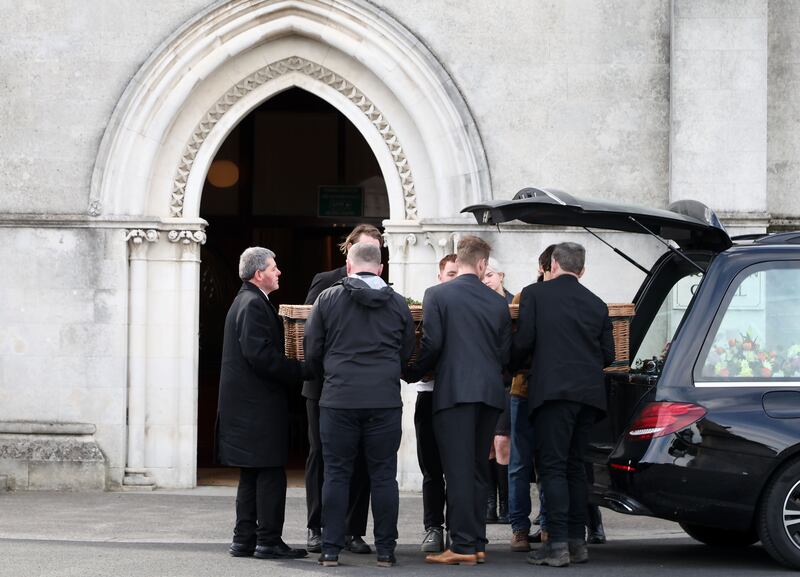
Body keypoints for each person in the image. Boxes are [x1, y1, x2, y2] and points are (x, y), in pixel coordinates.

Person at [304, 242, 415, 568]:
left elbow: (313, 350)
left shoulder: (327, 299)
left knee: (336, 474)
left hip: (339, 399)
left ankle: (330, 550)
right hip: (383, 400)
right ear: (380, 268)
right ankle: (386, 551)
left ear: (349, 266)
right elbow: (406, 350)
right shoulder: (397, 303)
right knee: (383, 476)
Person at [406, 235, 512, 566]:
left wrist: (411, 372)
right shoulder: (498, 302)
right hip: (490, 394)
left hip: (454, 394)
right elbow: (504, 354)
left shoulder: (438, 294)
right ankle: (477, 541)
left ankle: (463, 546)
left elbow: (433, 344)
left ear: (463, 261)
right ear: (482, 264)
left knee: (458, 469)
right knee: (479, 467)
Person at [511, 242, 615, 567]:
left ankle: (555, 546)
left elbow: (524, 342)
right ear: (581, 270)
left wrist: (507, 364)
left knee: (553, 467)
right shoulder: (597, 304)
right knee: (575, 467)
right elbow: (609, 356)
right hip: (589, 396)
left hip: (553, 394)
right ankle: (576, 542)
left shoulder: (534, 295)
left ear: (553, 264)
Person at [216, 247, 308, 560]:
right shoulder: (254, 304)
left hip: (247, 408)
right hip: (257, 408)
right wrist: (300, 369)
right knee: (270, 473)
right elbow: (261, 357)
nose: (279, 272)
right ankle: (268, 540)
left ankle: (244, 539)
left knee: (252, 475)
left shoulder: (246, 300)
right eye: (274, 267)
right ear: (259, 274)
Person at [303, 224, 383, 554]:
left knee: (362, 459)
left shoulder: (381, 287)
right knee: (321, 455)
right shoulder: (326, 281)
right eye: (366, 248)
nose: (371, 256)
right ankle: (316, 526)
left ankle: (353, 530)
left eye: (377, 250)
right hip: (322, 386)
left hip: (361, 388)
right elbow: (307, 328)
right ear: (349, 250)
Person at [508, 245, 555, 552]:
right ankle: (524, 528)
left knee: (529, 463)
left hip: (528, 388)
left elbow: (516, 342)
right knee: (528, 462)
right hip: (529, 389)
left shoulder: (526, 296)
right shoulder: (524, 296)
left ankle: (534, 528)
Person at [413, 253, 458, 553]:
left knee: (457, 469)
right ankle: (433, 528)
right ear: (439, 276)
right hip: (428, 395)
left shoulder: (472, 305)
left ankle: (457, 528)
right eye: (449, 273)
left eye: (458, 272)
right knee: (431, 469)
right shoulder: (430, 302)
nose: (454, 278)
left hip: (457, 396)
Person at [482, 258, 513, 525]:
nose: (487, 280)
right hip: (485, 380)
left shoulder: (514, 303)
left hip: (507, 382)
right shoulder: (479, 303)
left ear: (501, 275)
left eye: (490, 275)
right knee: (488, 445)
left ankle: (506, 503)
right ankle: (489, 503)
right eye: (484, 276)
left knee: (502, 441)